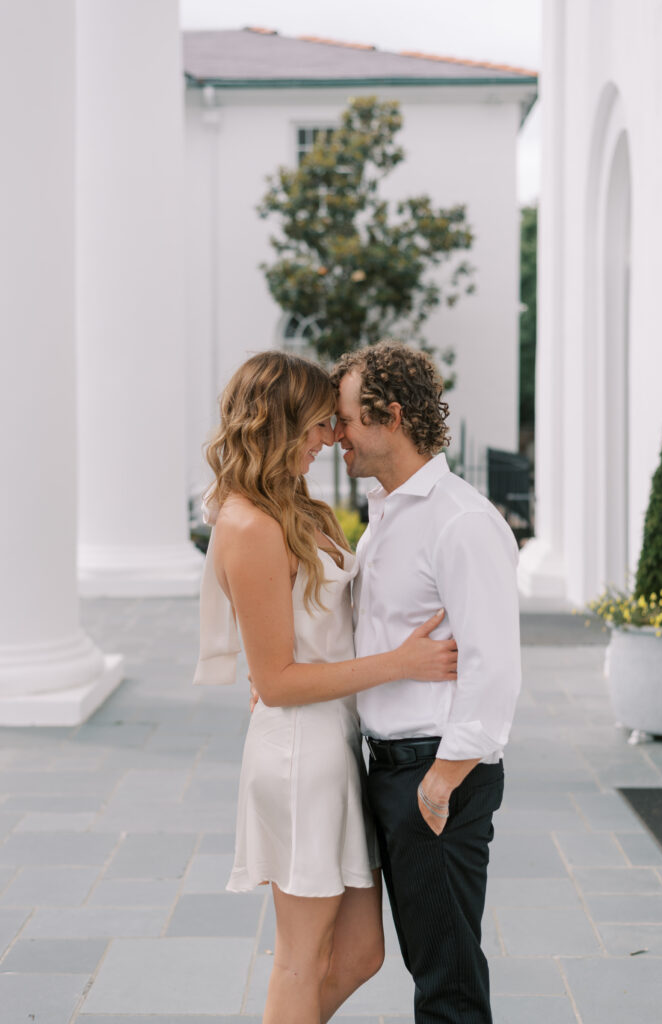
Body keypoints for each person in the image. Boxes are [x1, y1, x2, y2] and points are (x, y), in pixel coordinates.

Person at [193, 351, 459, 1024]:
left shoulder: (299, 506)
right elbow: (279, 683)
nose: (329, 438)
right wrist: (400, 663)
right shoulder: (248, 526)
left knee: (362, 953)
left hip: (337, 743)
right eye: (318, 425)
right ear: (279, 425)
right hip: (297, 758)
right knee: (300, 959)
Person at [331, 342, 521, 1024]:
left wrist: (440, 781)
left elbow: (494, 664)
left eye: (346, 419)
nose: (336, 437)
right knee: (430, 962)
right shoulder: (387, 513)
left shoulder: (461, 520)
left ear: (391, 415)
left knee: (447, 980)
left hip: (432, 770)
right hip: (389, 766)